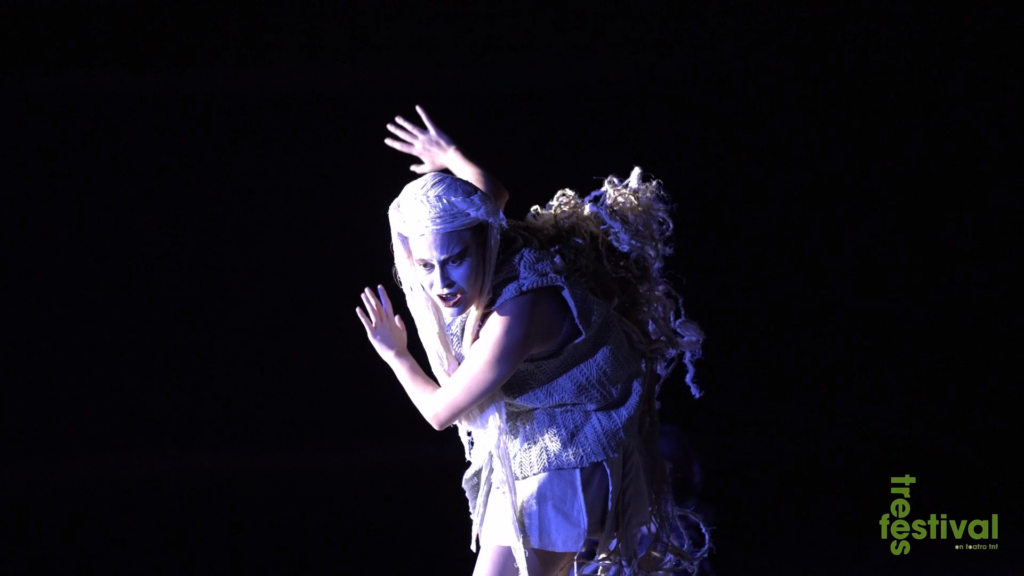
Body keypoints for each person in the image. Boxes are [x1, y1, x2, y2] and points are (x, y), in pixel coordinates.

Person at [356, 106, 710, 576]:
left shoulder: (515, 315)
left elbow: (441, 412)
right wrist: (448, 155)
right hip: (542, 447)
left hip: (573, 457)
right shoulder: (487, 231)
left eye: (455, 260)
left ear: (482, 242)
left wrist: (396, 354)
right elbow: (491, 191)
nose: (441, 283)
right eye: (425, 266)